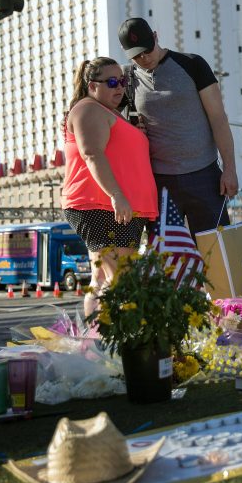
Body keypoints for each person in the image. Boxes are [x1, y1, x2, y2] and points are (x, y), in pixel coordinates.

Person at [119, 17, 238, 234]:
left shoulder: (193, 64)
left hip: (204, 175)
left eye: (147, 49)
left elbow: (218, 119)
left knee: (217, 252)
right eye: (136, 55)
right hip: (159, 181)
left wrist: (230, 169)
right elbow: (105, 115)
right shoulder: (126, 78)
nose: (144, 58)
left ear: (155, 37)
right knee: (167, 258)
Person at [61, 57, 159, 317]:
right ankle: (115, 340)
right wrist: (116, 195)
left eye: (123, 81)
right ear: (92, 86)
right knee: (119, 278)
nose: (120, 88)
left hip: (116, 206)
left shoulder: (108, 113)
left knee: (104, 277)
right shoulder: (88, 109)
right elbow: (91, 153)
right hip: (102, 204)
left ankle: (100, 341)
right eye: (112, 82)